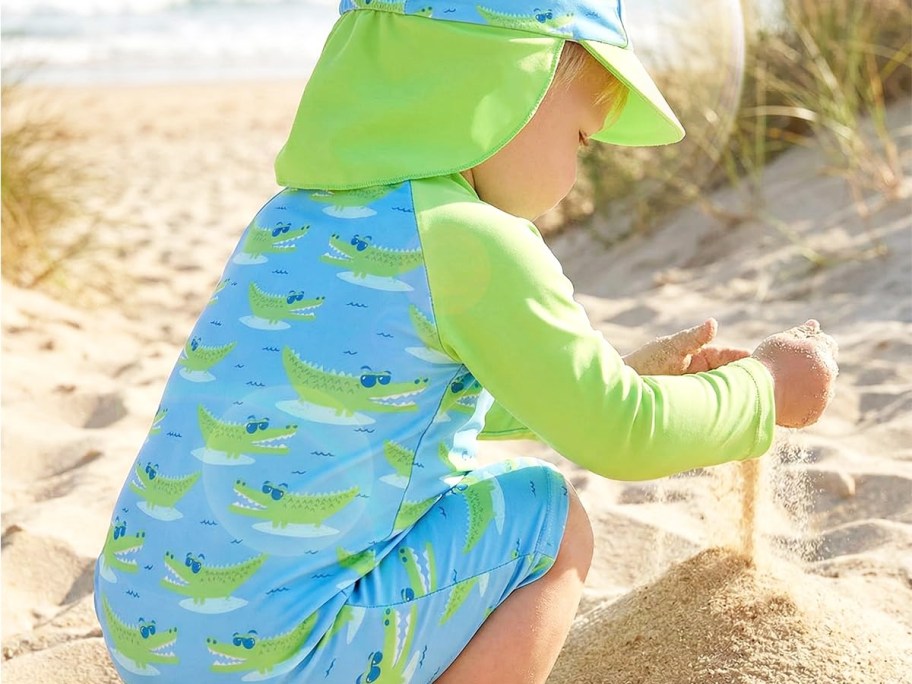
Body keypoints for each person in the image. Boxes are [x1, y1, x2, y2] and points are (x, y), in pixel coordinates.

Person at [93, 1, 838, 682]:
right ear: (510, 83)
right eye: (582, 138)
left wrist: (617, 372)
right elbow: (622, 435)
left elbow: (389, 398)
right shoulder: (469, 238)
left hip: (150, 635)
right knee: (548, 519)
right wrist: (766, 387)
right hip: (285, 655)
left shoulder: (288, 219)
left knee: (461, 476)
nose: (577, 170)